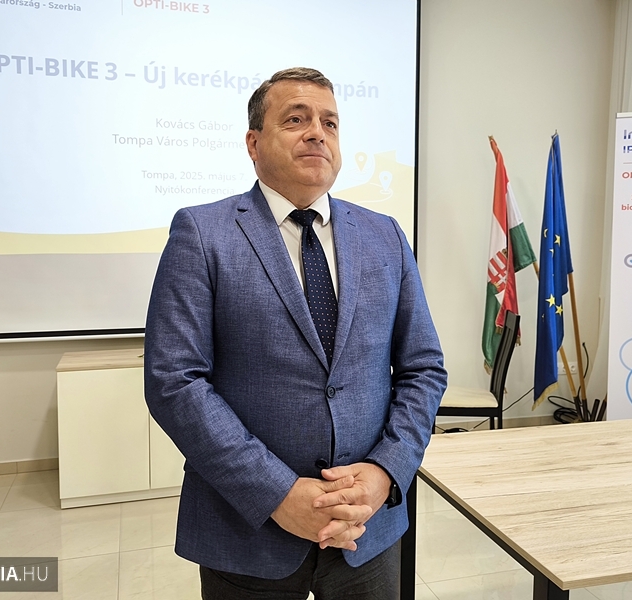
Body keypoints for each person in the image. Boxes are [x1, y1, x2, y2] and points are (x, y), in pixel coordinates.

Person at [144, 67, 447, 600]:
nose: (317, 134)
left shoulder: (386, 235)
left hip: (366, 531)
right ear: (253, 143)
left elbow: (423, 368)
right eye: (295, 119)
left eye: (330, 123)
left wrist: (384, 473)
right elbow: (175, 381)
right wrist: (278, 494)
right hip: (248, 534)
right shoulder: (202, 233)